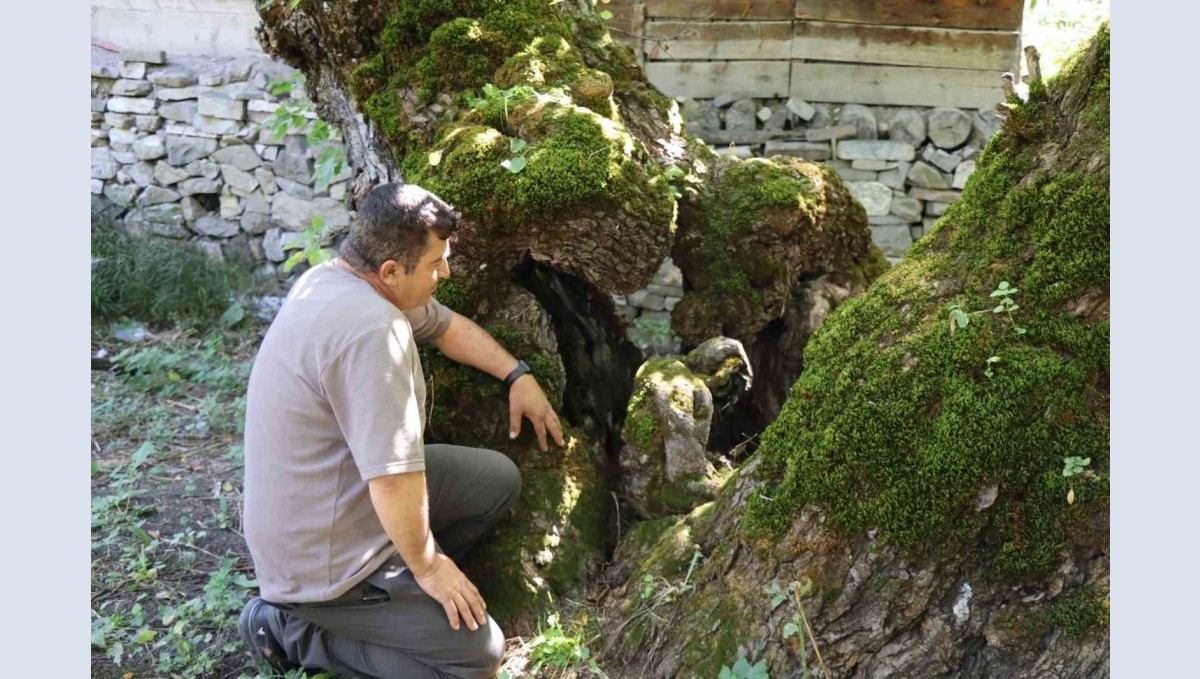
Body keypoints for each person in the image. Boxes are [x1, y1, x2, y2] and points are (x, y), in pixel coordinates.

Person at [237, 182, 566, 678]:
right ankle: (294, 631)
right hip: (322, 562)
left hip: (339, 497)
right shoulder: (372, 331)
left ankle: (401, 592)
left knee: (494, 480)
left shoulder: (339, 282)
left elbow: (447, 327)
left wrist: (518, 375)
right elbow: (394, 477)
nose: (446, 273)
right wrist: (429, 566)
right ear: (391, 270)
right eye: (436, 264)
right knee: (479, 657)